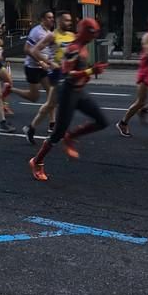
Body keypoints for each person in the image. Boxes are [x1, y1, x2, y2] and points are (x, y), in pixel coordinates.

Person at [28, 18, 109, 181]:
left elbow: (79, 72)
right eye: (92, 33)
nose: (94, 36)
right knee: (57, 133)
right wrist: (89, 72)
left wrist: (87, 74)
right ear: (85, 31)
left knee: (102, 121)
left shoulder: (84, 47)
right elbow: (66, 73)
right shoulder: (73, 48)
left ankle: (71, 136)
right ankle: (37, 161)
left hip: (79, 92)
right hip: (68, 93)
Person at [22, 11, 75, 144]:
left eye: (70, 20)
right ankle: (56, 129)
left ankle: (34, 128)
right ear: (59, 21)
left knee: (52, 103)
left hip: (65, 74)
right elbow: (32, 50)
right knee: (50, 101)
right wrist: (48, 63)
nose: (69, 23)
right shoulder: (49, 34)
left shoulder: (70, 35)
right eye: (66, 20)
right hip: (52, 73)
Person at [7, 10, 56, 106]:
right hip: (32, 68)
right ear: (43, 19)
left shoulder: (49, 33)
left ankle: (53, 120)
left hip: (44, 68)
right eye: (49, 17)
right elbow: (26, 49)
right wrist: (41, 61)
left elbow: (48, 51)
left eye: (52, 17)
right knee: (34, 97)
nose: (52, 20)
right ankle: (11, 90)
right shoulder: (36, 32)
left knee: (51, 93)